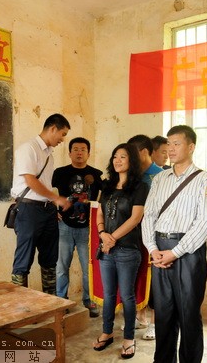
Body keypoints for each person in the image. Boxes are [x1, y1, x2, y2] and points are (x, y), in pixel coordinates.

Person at [141, 125, 207, 363]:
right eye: (168, 143)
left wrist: (175, 252)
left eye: (177, 143)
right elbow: (149, 215)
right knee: (164, 314)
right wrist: (152, 249)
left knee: (188, 315)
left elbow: (205, 223)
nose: (170, 148)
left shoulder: (206, 180)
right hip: (159, 251)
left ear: (191, 147)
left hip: (188, 253)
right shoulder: (160, 179)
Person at [92, 143, 149, 359]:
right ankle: (107, 333)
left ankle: (128, 338)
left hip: (128, 250)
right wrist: (103, 234)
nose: (117, 160)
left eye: (123, 157)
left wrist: (112, 238)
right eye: (115, 156)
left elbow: (136, 218)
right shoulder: (106, 186)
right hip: (106, 248)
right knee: (108, 295)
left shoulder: (140, 187)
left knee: (127, 296)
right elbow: (99, 213)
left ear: (131, 161)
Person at [10, 113, 72, 294]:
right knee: (23, 260)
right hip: (28, 210)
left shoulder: (49, 155)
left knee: (49, 259)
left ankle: (50, 303)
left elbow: (43, 185)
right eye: (62, 134)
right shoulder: (28, 149)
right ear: (53, 128)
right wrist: (57, 198)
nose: (62, 139)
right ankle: (20, 306)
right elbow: (30, 181)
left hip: (47, 212)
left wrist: (52, 206)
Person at [52, 137, 103, 317]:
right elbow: (46, 192)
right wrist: (53, 209)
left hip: (87, 229)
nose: (79, 152)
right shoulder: (59, 172)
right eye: (75, 149)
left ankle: (89, 300)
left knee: (88, 267)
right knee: (61, 266)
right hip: (64, 226)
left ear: (88, 153)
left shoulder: (97, 174)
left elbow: (102, 200)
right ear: (69, 152)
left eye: (83, 149)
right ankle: (61, 300)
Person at [127, 134, 164, 340]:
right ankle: (139, 316)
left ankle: (154, 323)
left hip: (155, 237)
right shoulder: (131, 176)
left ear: (143, 152)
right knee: (135, 277)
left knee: (156, 282)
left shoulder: (161, 175)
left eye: (132, 153)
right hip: (133, 236)